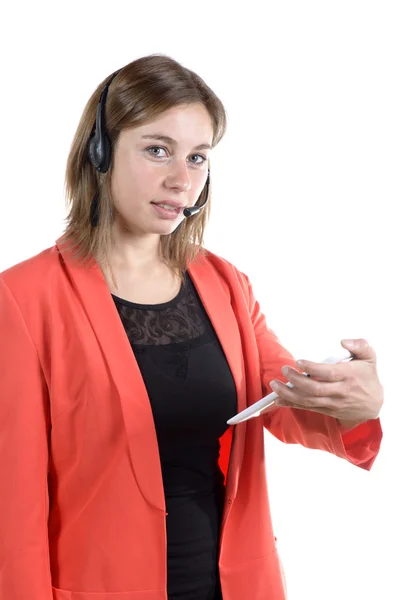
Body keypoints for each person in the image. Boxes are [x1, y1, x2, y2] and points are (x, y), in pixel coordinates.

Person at [0, 54, 383, 600]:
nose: (182, 180)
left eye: (198, 157)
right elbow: (12, 507)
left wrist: (353, 403)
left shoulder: (225, 282)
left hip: (232, 585)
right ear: (99, 152)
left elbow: (285, 399)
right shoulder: (22, 298)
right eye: (158, 150)